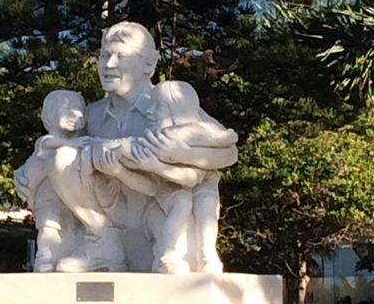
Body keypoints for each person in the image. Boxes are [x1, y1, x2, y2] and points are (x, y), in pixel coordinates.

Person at [37, 21, 238, 272]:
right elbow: (56, 158)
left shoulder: (168, 103)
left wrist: (181, 153)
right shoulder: (92, 115)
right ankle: (101, 242)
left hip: (162, 209)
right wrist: (31, 175)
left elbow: (227, 150)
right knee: (63, 157)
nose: (109, 65)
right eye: (104, 55)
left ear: (149, 64)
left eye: (121, 56)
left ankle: (173, 251)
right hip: (112, 211)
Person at [111, 81, 237, 273]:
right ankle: (168, 253)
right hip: (167, 189)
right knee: (182, 203)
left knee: (205, 202)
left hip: (198, 182)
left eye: (158, 107)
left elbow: (223, 146)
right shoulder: (156, 134)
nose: (149, 112)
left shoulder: (192, 127)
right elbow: (130, 150)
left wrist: (181, 154)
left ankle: (206, 253)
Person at [14, 90, 89, 272]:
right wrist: (76, 144)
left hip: (74, 197)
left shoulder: (85, 142)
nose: (75, 115)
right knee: (48, 226)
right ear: (47, 117)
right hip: (48, 196)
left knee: (75, 226)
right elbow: (49, 147)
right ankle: (45, 256)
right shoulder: (47, 142)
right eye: (67, 109)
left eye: (79, 110)